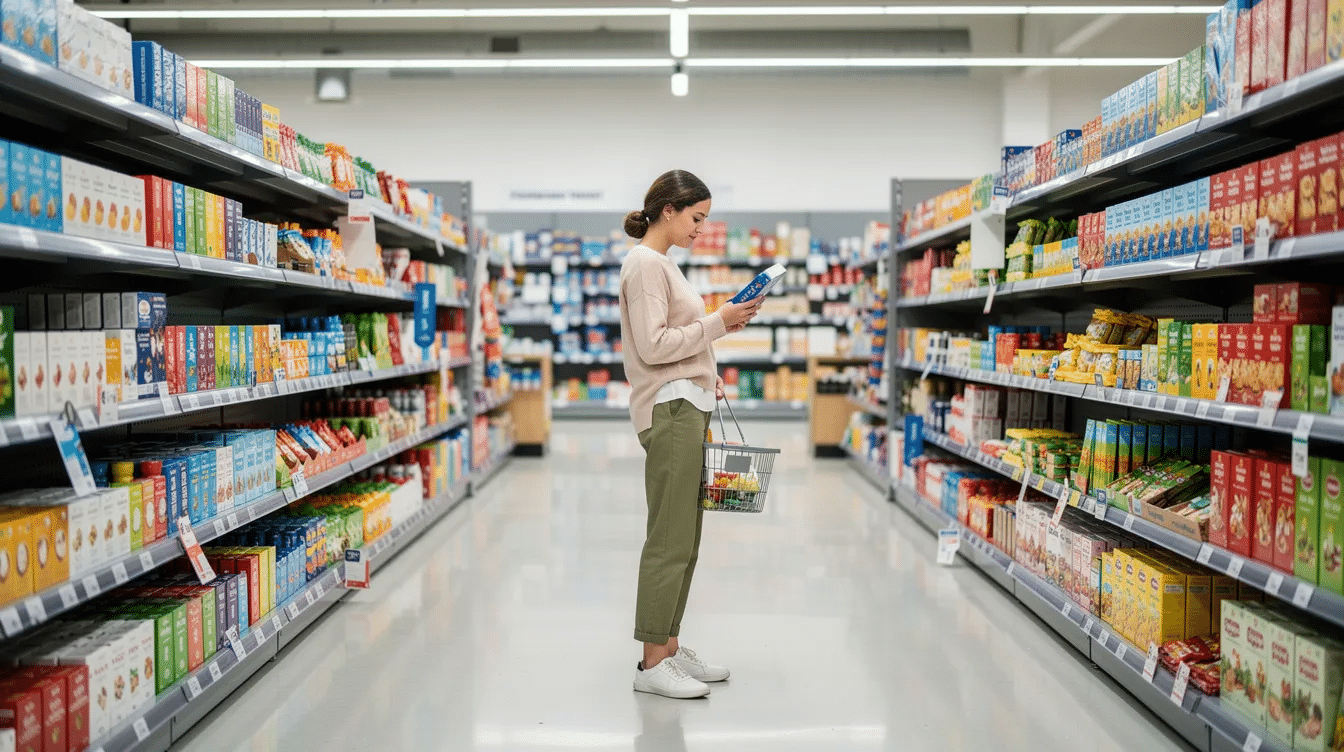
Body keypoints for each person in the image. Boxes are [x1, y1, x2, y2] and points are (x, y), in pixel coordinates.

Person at [619, 170, 763, 699]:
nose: (701, 229)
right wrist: (718, 322)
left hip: (689, 403)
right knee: (669, 539)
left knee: (688, 538)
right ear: (667, 210)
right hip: (670, 410)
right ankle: (652, 663)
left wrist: (708, 369)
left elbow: (676, 344)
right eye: (696, 218)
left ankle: (671, 648)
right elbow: (654, 346)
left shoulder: (665, 266)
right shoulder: (642, 265)